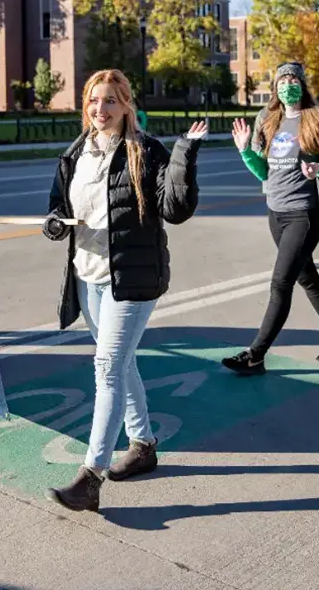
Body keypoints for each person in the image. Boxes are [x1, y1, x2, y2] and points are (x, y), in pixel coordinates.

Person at [41, 68, 206, 513]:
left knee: (108, 368)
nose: (101, 109)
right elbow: (59, 205)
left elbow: (174, 209)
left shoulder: (145, 151)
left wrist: (184, 157)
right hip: (87, 275)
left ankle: (90, 477)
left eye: (111, 100)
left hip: (132, 280)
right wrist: (54, 222)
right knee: (123, 362)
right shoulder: (76, 152)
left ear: (127, 104)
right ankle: (144, 445)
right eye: (94, 101)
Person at [221, 61, 319, 375]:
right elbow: (264, 172)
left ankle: (256, 354)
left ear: (302, 84)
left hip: (303, 216)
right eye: (283, 79)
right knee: (307, 278)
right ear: (276, 86)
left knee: (281, 284)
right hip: (275, 212)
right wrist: (244, 151)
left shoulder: (315, 120)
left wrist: (318, 169)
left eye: (293, 78)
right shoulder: (267, 119)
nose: (287, 84)